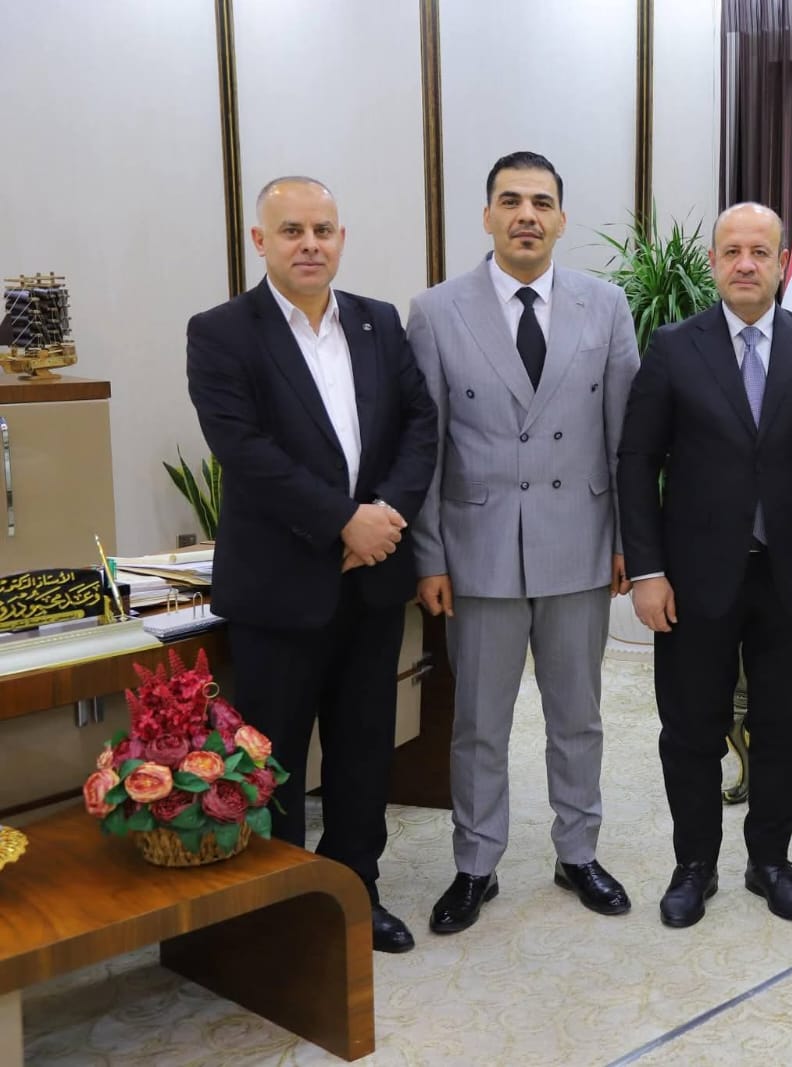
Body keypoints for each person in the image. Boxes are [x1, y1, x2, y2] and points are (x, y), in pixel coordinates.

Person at [187, 176, 438, 953]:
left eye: (323, 230)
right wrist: (342, 522)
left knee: (364, 749)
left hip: (372, 582)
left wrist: (383, 516)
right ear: (260, 240)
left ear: (340, 238)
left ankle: (355, 890)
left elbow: (420, 424)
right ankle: (283, 909)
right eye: (291, 230)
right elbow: (244, 451)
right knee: (276, 759)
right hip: (280, 588)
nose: (309, 244)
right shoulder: (222, 333)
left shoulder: (376, 320)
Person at [408, 151, 640, 933]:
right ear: (487, 216)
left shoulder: (605, 306)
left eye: (541, 201)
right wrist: (429, 555)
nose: (526, 215)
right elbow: (425, 447)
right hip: (478, 551)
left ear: (561, 219)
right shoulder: (437, 311)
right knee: (479, 721)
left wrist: (628, 540)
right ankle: (476, 862)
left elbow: (626, 440)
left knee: (579, 714)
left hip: (579, 540)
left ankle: (579, 852)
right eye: (510, 201)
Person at [617, 202, 792, 929]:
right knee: (690, 727)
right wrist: (648, 570)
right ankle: (694, 865)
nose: (745, 264)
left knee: (783, 726)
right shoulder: (673, 347)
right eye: (732, 251)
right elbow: (638, 462)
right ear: (715, 262)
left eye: (760, 251)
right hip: (692, 580)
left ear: (783, 262)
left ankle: (771, 861)